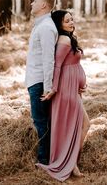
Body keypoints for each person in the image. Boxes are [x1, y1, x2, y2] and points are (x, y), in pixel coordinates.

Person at [37, 10, 90, 182]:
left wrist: (81, 83)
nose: (71, 22)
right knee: (83, 124)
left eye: (72, 19)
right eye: (67, 21)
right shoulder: (64, 39)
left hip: (72, 88)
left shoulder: (68, 38)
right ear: (59, 24)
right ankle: (70, 162)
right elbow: (58, 65)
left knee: (76, 126)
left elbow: (72, 65)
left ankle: (72, 162)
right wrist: (53, 88)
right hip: (66, 90)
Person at [25, 0, 58, 165]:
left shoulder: (46, 27)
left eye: (35, 1)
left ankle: (44, 160)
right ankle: (46, 157)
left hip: (39, 83)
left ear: (44, 5)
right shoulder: (41, 25)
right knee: (40, 121)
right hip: (35, 81)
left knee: (41, 123)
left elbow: (48, 60)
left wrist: (47, 87)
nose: (32, 3)